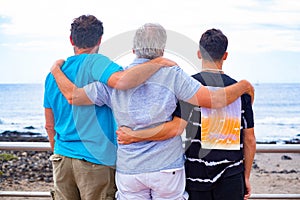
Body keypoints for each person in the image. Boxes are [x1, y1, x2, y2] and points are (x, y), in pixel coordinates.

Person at [50, 23, 254, 200]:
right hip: (167, 169)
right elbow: (214, 99)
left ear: (133, 50)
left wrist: (56, 70)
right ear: (162, 50)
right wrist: (243, 85)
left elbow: (73, 96)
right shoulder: (173, 75)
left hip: (130, 170)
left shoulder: (116, 79)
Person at [44, 15, 176, 200]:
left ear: (71, 40)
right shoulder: (97, 63)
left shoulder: (53, 77)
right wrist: (158, 62)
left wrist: (60, 152)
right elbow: (124, 81)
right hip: (95, 161)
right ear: (99, 40)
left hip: (61, 159)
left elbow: (49, 125)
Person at [118, 28, 256, 200]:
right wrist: (246, 176)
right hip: (231, 174)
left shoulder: (187, 85)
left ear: (199, 53)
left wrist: (134, 136)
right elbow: (249, 139)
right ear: (225, 55)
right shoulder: (240, 91)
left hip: (196, 172)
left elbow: (175, 127)